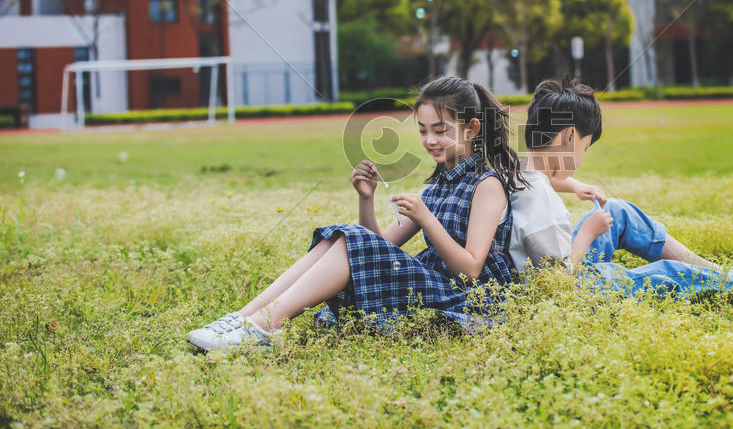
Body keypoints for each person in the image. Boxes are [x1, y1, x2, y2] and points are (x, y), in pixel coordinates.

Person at [188, 76, 526, 351]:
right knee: (341, 235)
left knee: (351, 239)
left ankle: (263, 328)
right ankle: (244, 319)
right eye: (423, 130)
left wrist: (427, 220)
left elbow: (470, 270)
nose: (430, 140)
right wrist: (367, 199)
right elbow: (377, 245)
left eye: (441, 130)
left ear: (471, 129)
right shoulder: (435, 187)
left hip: (469, 300)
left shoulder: (487, 184)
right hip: (436, 284)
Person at [509, 76, 733, 302]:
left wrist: (576, 185)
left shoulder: (522, 170)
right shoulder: (540, 200)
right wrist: (588, 235)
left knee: (618, 211)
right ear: (570, 136)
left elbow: (546, 177)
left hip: (553, 267)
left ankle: (723, 274)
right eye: (584, 146)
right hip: (574, 288)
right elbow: (559, 281)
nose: (581, 157)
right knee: (667, 274)